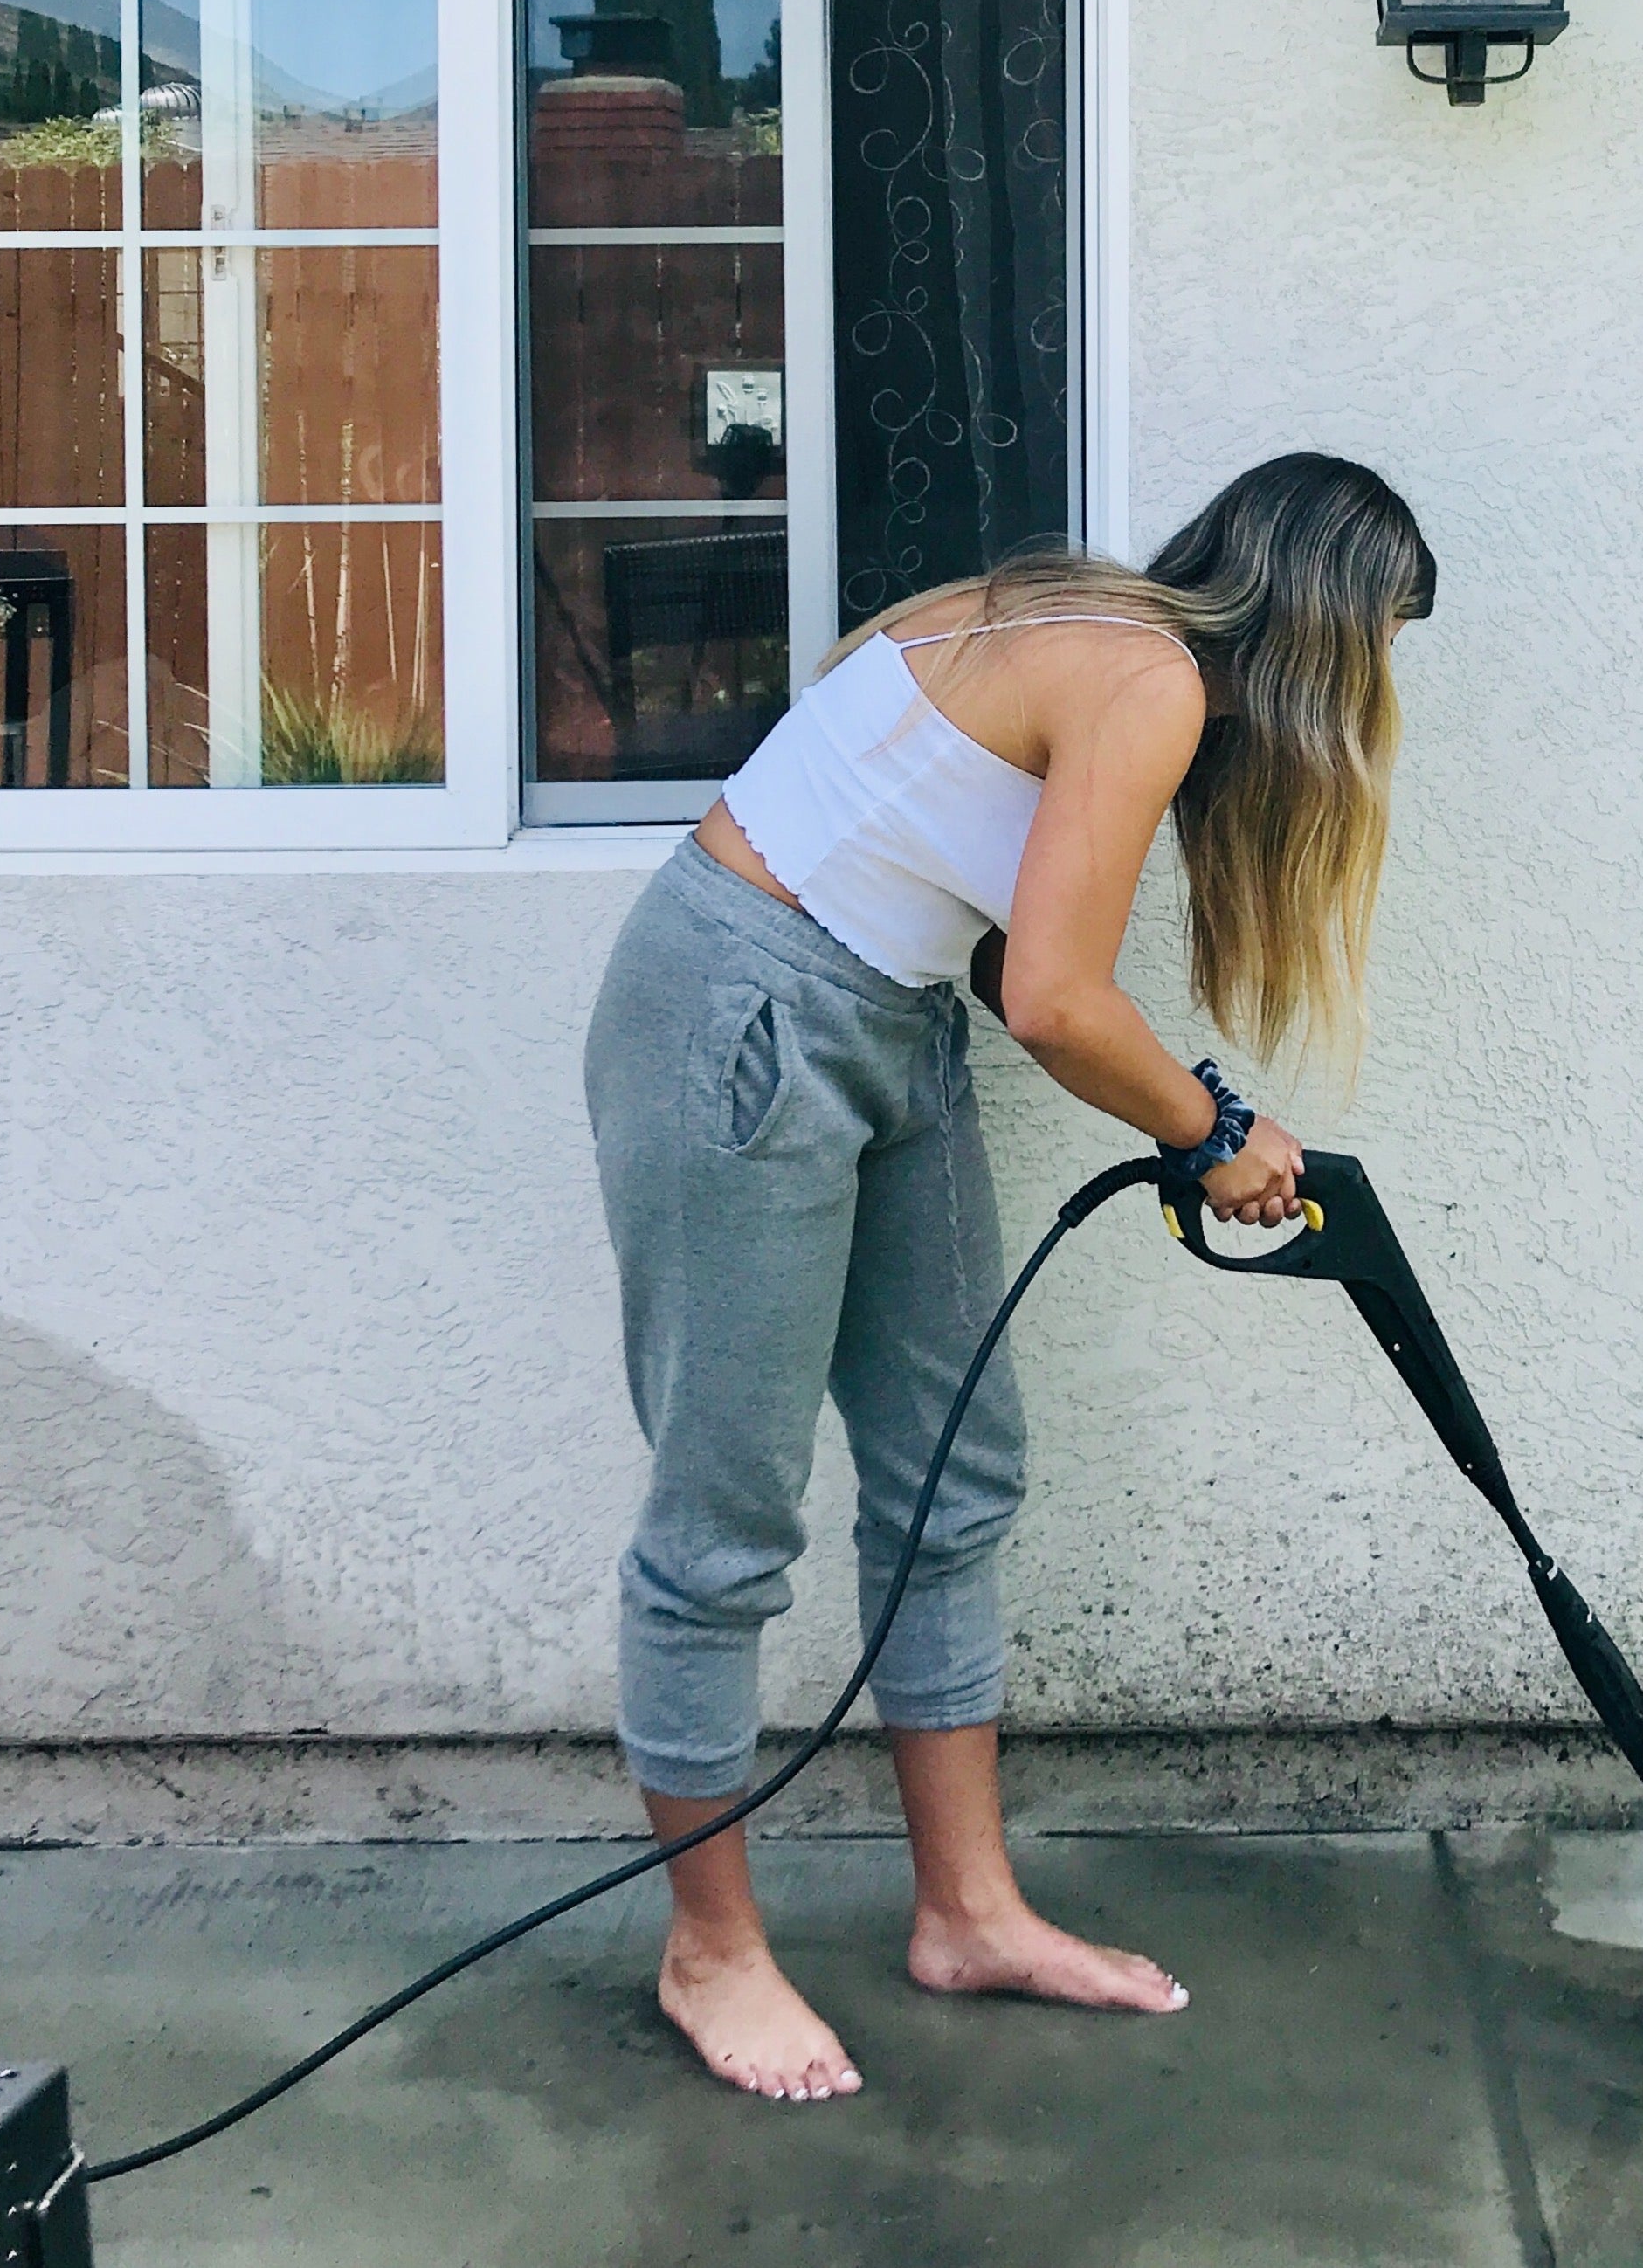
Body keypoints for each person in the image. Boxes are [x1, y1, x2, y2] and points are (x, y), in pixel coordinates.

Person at [581, 451, 1436, 2100]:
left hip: (889, 1017)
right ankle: (710, 1950)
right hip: (739, 1013)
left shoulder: (1092, 633)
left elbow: (989, 943)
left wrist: (1191, 1108)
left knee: (955, 1474)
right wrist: (1213, 1133)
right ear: (1324, 621)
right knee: (726, 1515)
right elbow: (1049, 993)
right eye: (1380, 642)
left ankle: (967, 1912)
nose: (1377, 683)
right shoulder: (1143, 671)